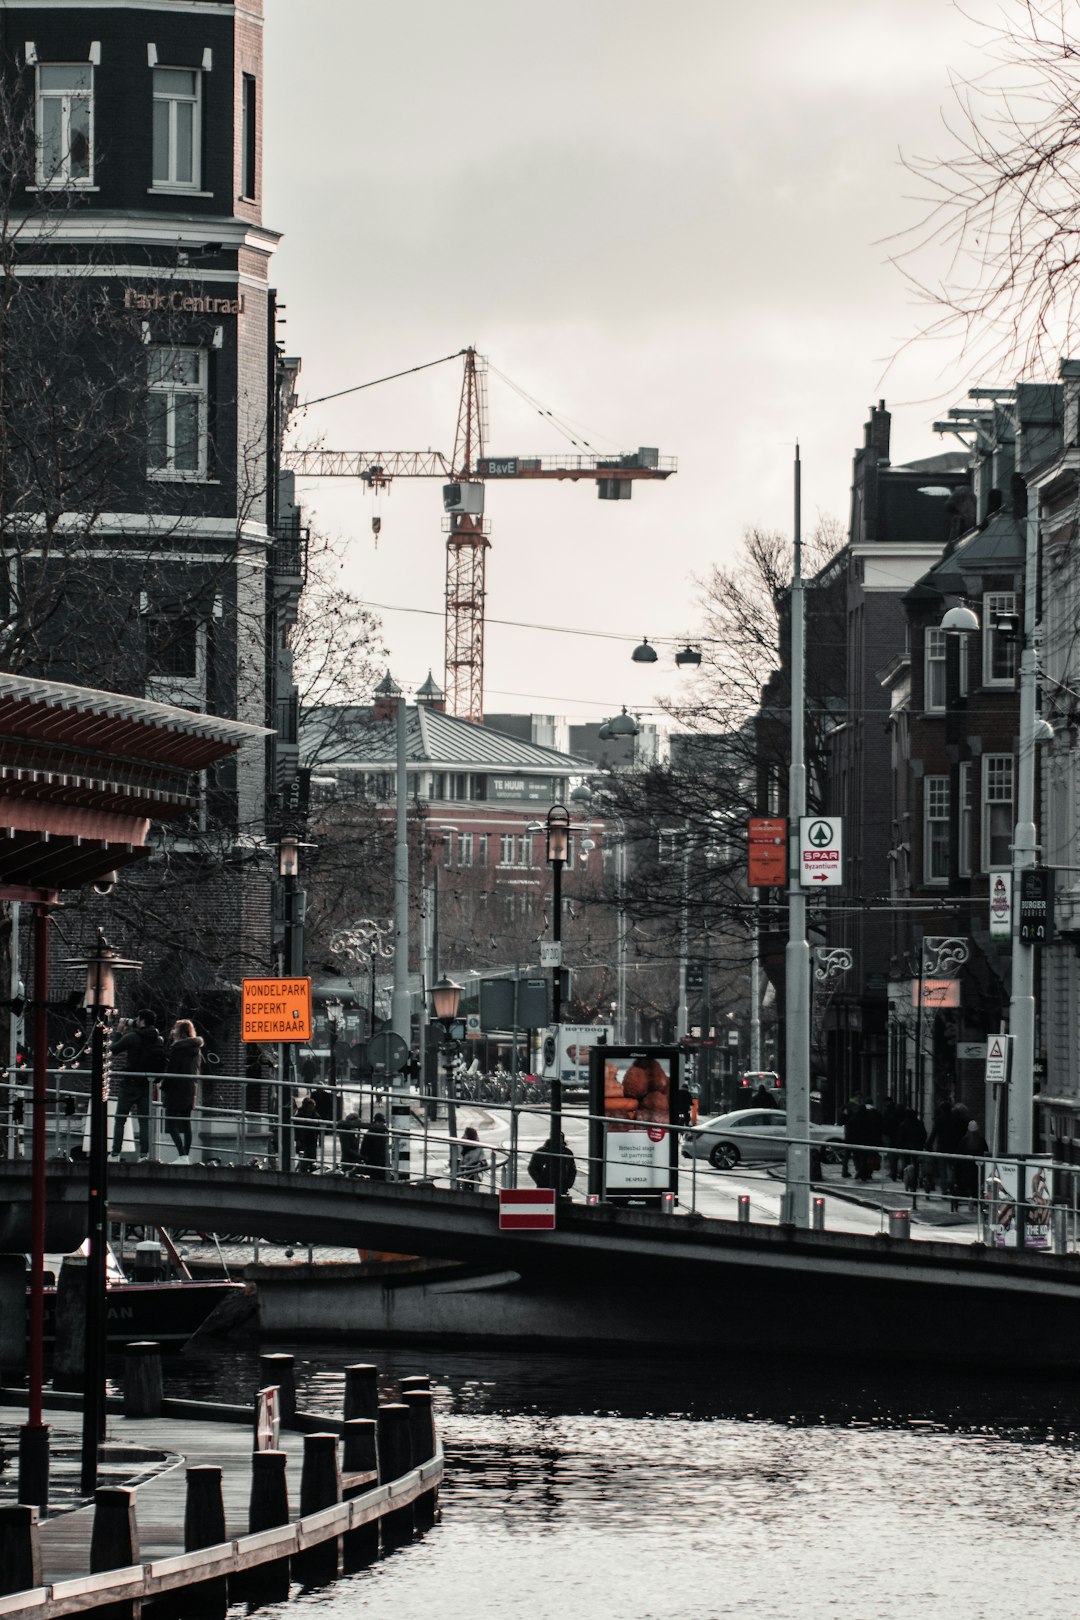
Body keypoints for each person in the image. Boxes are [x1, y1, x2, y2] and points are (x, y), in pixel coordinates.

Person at [110, 1010, 166, 1160]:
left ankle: (115, 1153)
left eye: (137, 1018)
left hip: (130, 1083)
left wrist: (119, 1031)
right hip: (147, 1085)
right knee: (144, 1122)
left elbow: (113, 1049)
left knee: (120, 1119)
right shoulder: (158, 1039)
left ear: (141, 1020)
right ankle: (144, 1155)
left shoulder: (133, 1037)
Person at [162, 1018, 203, 1163]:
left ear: (178, 1032)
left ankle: (182, 1155)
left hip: (176, 1089)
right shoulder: (196, 1049)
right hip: (190, 1088)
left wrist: (164, 1086)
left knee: (170, 1124)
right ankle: (185, 1155)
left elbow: (172, 1070)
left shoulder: (178, 1048)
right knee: (186, 1124)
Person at [528, 1132, 576, 1197]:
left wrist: (568, 1183)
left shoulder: (567, 1152)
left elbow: (572, 1170)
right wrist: (541, 1182)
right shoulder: (541, 1152)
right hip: (545, 1188)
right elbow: (532, 1168)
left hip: (562, 1188)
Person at [954, 1118, 988, 1206]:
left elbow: (958, 1155)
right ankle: (975, 1198)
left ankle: (969, 1197)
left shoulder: (964, 1141)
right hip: (977, 1169)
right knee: (976, 1184)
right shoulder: (981, 1140)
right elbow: (986, 1153)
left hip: (965, 1170)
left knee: (966, 1183)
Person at [358, 1111, 390, 1180]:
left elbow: (363, 1150)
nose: (382, 1124)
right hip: (377, 1162)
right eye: (381, 1122)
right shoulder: (382, 1133)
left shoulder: (370, 1133)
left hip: (374, 1162)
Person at [293, 1094, 320, 1172]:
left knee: (311, 1157)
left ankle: (309, 1169)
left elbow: (318, 1127)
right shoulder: (299, 1116)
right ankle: (302, 1170)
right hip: (303, 1139)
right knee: (304, 1156)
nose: (311, 1108)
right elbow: (296, 1129)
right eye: (309, 1107)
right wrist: (297, 1139)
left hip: (312, 1139)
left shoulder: (315, 1115)